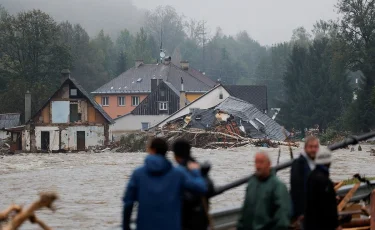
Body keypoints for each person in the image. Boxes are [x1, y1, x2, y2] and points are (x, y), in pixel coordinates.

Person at [122, 138, 207, 230]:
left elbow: (128, 203)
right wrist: (196, 172)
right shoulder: (178, 173)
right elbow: (201, 188)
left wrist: (126, 226)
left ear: (152, 150)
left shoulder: (138, 174)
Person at [237, 152, 291, 230]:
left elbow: (282, 217)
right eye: (256, 162)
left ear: (269, 164)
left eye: (261, 162)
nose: (258, 166)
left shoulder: (278, 186)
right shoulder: (251, 184)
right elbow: (245, 211)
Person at [172, 139, 214, 230]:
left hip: (185, 220)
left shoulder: (178, 171)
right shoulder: (197, 166)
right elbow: (210, 189)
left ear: (175, 155)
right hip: (201, 219)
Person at [304, 149, 340, 230]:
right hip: (322, 224)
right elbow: (329, 206)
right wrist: (336, 225)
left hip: (309, 223)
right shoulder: (325, 181)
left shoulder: (310, 176)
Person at [290, 136, 319, 223]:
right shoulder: (299, 164)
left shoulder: (315, 163)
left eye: (315, 147)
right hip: (301, 211)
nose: (313, 149)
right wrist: (301, 213)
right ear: (305, 148)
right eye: (311, 147)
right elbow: (296, 191)